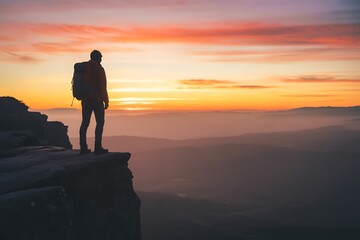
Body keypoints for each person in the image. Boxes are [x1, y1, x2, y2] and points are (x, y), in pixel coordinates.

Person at [79, 50, 109, 155]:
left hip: (85, 99)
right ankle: (98, 147)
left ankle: (83, 147)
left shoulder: (84, 68)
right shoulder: (99, 69)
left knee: (85, 123)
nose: (101, 59)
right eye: (100, 57)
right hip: (97, 99)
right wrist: (106, 100)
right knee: (100, 122)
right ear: (97, 58)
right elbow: (102, 86)